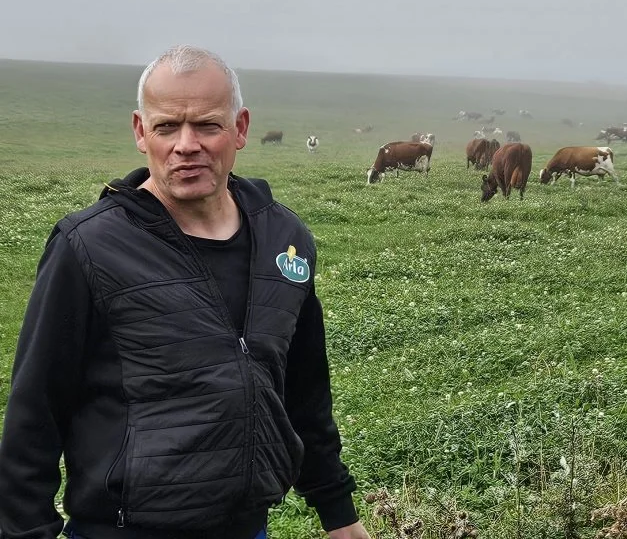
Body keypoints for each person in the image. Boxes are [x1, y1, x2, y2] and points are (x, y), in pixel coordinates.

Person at [0, 46, 371, 539]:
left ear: (240, 127)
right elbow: (34, 413)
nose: (186, 145)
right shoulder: (88, 246)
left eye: (208, 126)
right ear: (140, 132)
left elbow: (304, 392)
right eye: (167, 127)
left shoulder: (285, 240)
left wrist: (339, 514)